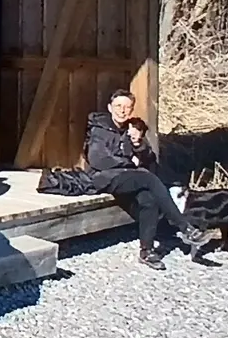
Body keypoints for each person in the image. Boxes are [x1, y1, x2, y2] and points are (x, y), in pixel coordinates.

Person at [63, 90, 207, 269]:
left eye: (127, 107)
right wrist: (130, 163)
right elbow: (99, 160)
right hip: (102, 178)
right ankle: (184, 226)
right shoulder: (99, 130)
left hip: (127, 177)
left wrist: (138, 144)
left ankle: (147, 251)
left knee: (149, 199)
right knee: (149, 179)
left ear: (131, 110)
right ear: (110, 108)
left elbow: (150, 159)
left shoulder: (131, 129)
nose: (122, 110)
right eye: (118, 106)